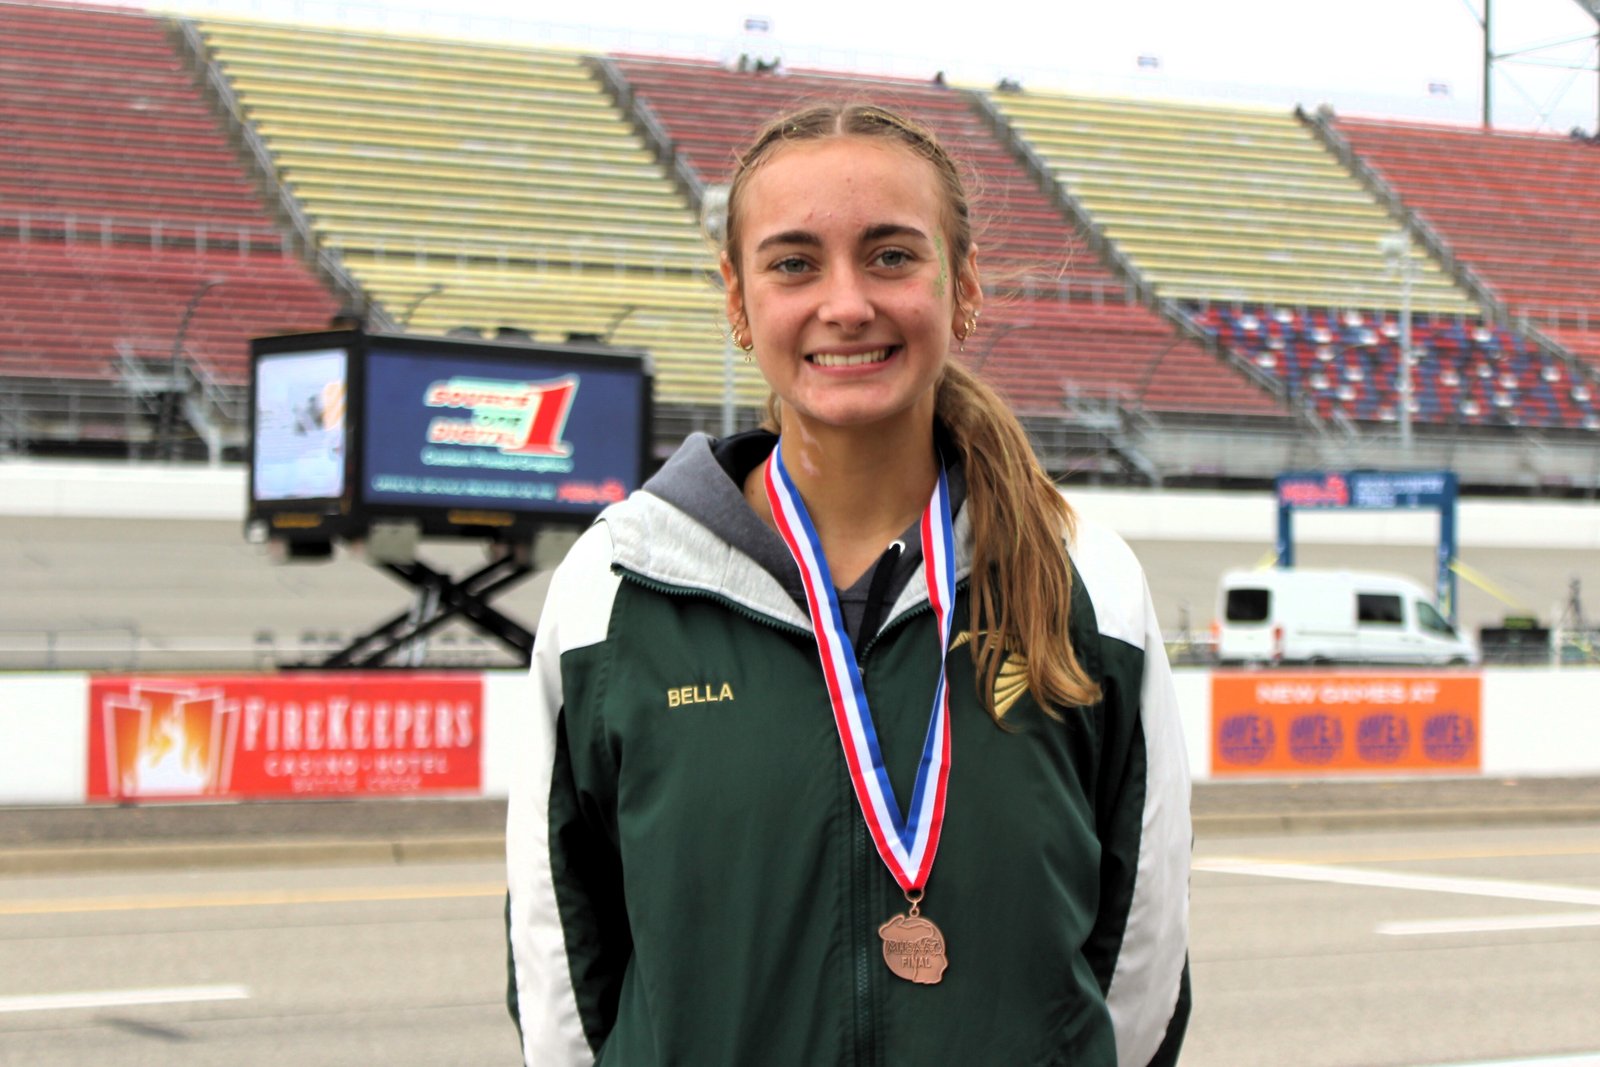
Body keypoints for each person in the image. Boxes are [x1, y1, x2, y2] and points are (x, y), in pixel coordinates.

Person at [506, 102, 1192, 1066]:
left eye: (891, 256)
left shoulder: (1086, 581)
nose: (846, 303)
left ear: (963, 291)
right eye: (793, 263)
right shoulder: (617, 586)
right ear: (740, 304)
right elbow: (560, 964)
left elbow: (1141, 957)